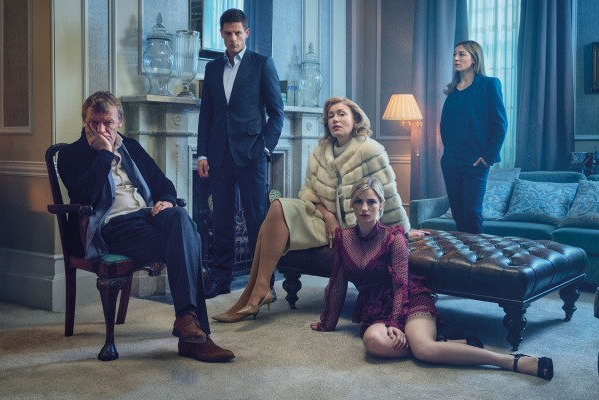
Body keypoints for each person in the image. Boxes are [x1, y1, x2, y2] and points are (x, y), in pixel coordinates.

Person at [310, 177, 554, 381]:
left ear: (381, 207)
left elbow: (400, 284)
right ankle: (448, 343)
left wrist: (395, 322)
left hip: (409, 299)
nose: (365, 207)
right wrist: (328, 322)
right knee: (373, 342)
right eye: (359, 201)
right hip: (376, 308)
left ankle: (510, 361)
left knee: (424, 350)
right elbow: (338, 282)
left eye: (371, 202)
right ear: (352, 206)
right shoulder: (343, 238)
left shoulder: (393, 237)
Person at [57, 91, 234, 362]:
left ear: (120, 122)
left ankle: (188, 322)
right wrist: (104, 155)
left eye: (108, 123)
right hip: (111, 227)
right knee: (189, 237)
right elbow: (83, 195)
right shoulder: (71, 155)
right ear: (85, 122)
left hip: (146, 216)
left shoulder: (131, 147)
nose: (101, 130)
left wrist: (166, 200)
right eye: (94, 123)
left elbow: (163, 183)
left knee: (179, 216)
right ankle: (195, 335)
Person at [211, 96, 412, 323]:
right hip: (322, 221)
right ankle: (260, 289)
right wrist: (327, 216)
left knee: (266, 229)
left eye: (342, 114)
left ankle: (252, 294)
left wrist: (403, 231)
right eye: (330, 116)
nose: (335, 119)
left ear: (356, 119)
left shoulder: (370, 150)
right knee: (278, 206)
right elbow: (308, 192)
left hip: (355, 227)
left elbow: (387, 196)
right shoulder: (320, 150)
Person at [197, 8, 284, 299]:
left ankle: (264, 282)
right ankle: (221, 278)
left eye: (238, 33)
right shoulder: (212, 69)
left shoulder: (262, 64)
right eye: (228, 33)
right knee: (220, 219)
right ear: (221, 34)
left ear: (246, 33)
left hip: (251, 154)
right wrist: (202, 154)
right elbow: (207, 114)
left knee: (257, 219)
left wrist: (264, 148)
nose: (233, 38)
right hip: (219, 155)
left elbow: (277, 113)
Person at [440, 40, 508, 234]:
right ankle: (463, 252)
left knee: (472, 212)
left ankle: (478, 252)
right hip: (451, 160)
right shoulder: (453, 90)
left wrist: (487, 157)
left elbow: (500, 124)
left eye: (461, 54)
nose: (456, 58)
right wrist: (447, 155)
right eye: (454, 54)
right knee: (458, 214)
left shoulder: (489, 84)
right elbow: (446, 126)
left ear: (474, 59)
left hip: (476, 161)